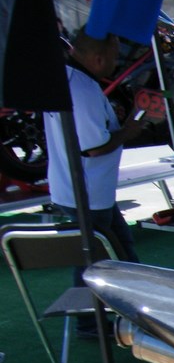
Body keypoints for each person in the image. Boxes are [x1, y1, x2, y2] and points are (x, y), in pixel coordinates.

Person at [44, 31, 147, 277]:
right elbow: (94, 148)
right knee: (96, 266)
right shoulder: (82, 88)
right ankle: (99, 305)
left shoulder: (65, 78)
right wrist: (129, 130)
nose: (116, 62)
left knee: (118, 255)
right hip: (88, 193)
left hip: (79, 189)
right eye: (114, 56)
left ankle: (123, 298)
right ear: (99, 59)